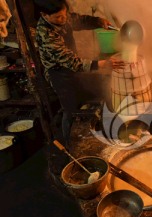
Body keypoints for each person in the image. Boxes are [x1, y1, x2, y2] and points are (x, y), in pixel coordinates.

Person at [35, 0, 124, 144]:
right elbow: (70, 61)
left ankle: (105, 126)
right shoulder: (46, 34)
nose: (63, 19)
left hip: (74, 66)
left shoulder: (63, 16)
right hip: (58, 72)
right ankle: (69, 143)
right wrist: (100, 64)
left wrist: (99, 22)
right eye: (58, 17)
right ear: (44, 15)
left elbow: (79, 20)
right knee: (70, 109)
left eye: (64, 15)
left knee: (98, 89)